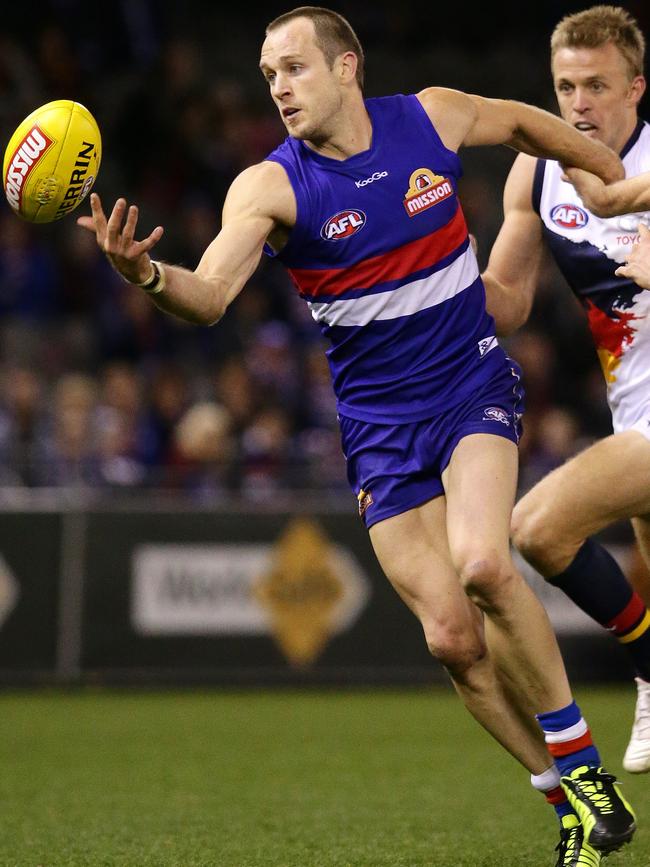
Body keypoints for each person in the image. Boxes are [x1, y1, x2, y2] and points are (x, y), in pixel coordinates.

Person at [78, 7, 635, 864]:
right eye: (269, 75)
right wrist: (149, 273)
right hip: (379, 430)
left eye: (295, 68)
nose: (280, 88)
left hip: (470, 386)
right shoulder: (270, 186)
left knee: (486, 562)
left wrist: (607, 179)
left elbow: (523, 122)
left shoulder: (431, 116)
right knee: (450, 635)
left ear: (348, 67)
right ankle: (569, 802)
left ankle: (586, 767)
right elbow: (211, 296)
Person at [482, 4, 650, 785]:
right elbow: (507, 300)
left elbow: (621, 211)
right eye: (563, 86)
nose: (578, 103)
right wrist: (416, 279)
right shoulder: (537, 170)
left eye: (596, 84)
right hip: (634, 413)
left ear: (636, 88)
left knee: (537, 528)